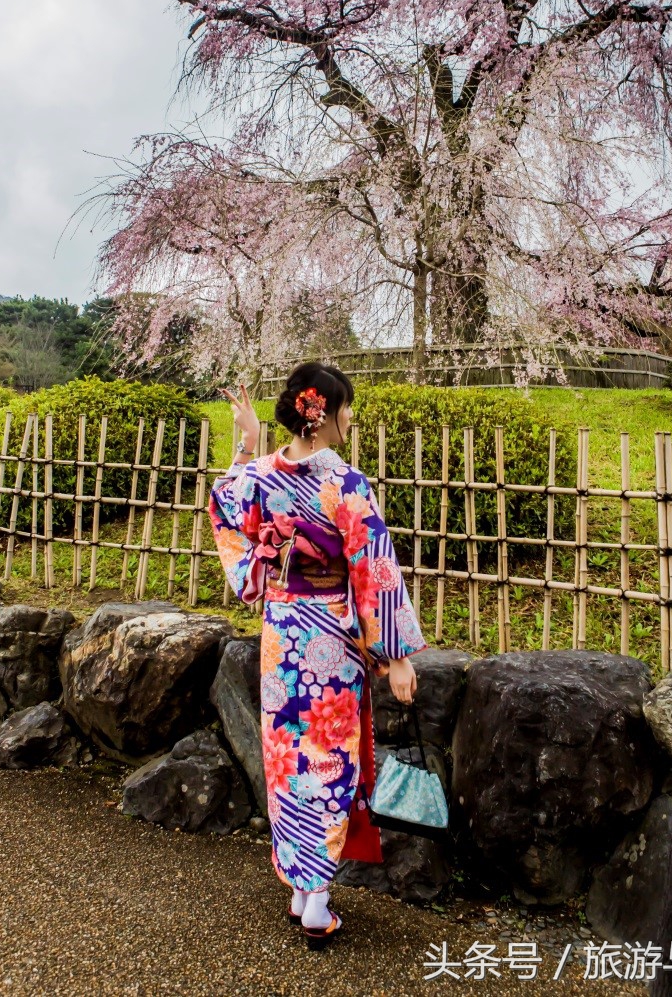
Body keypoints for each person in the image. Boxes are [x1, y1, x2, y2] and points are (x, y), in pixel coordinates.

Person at [208, 362, 428, 949]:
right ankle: (318, 899)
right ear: (324, 411)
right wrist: (396, 654)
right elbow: (374, 568)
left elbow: (224, 507)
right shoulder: (345, 484)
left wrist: (248, 445)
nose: (352, 417)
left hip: (282, 632)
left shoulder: (260, 475)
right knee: (329, 759)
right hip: (329, 633)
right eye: (348, 406)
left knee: (287, 757)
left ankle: (303, 890)